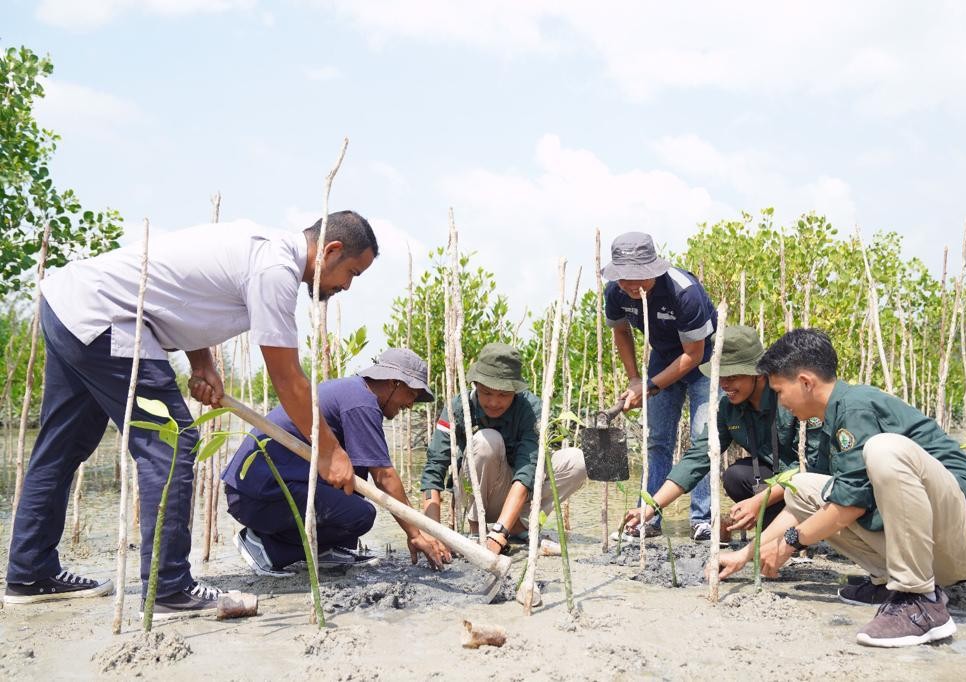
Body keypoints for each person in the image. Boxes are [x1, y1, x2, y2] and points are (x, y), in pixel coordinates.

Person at [4, 211, 377, 619]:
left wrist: (203, 363)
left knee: (62, 446)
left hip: (70, 307)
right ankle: (169, 588)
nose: (347, 286)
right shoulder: (276, 269)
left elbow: (179, 295)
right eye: (352, 273)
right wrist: (330, 451)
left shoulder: (260, 248)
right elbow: (288, 380)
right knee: (172, 440)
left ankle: (30, 573)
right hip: (110, 318)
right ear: (331, 250)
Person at [709, 328, 966, 648]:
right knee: (803, 484)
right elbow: (804, 504)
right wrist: (745, 555)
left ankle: (919, 599)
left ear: (806, 382)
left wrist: (789, 544)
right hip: (940, 549)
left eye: (780, 392)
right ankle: (888, 581)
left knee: (883, 450)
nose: (779, 402)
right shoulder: (832, 419)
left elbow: (851, 505)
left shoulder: (856, 406)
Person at [223, 348, 451, 575]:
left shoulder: (356, 394)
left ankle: (322, 551)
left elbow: (368, 471)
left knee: (353, 486)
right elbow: (384, 476)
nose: (410, 405)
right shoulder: (361, 403)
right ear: (394, 383)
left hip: (264, 490)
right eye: (411, 394)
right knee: (362, 515)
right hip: (258, 494)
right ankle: (265, 547)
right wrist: (416, 534)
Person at [622, 325, 825, 538]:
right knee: (735, 476)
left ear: (759, 374)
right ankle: (778, 529)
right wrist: (651, 506)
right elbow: (697, 458)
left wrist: (758, 501)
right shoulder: (728, 408)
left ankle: (803, 529)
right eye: (721, 375)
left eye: (733, 376)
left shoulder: (790, 399)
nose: (724, 384)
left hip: (810, 484)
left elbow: (810, 469)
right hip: (775, 484)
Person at [420, 343, 588, 555]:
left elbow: (527, 470)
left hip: (518, 491)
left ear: (515, 392)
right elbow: (434, 468)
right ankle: (476, 529)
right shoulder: (457, 407)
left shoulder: (532, 409)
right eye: (486, 393)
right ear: (475, 385)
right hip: (478, 493)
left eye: (503, 395)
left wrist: (499, 532)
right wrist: (432, 530)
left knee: (577, 460)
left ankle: (517, 526)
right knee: (485, 440)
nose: (494, 402)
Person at [603, 232, 718, 541]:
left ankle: (703, 519)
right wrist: (635, 380)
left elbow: (693, 355)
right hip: (663, 356)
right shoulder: (615, 292)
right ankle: (648, 518)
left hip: (704, 361)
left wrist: (650, 387)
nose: (629, 284)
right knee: (657, 441)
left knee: (702, 440)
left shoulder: (685, 292)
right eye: (623, 277)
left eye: (637, 276)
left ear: (653, 268)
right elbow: (621, 333)